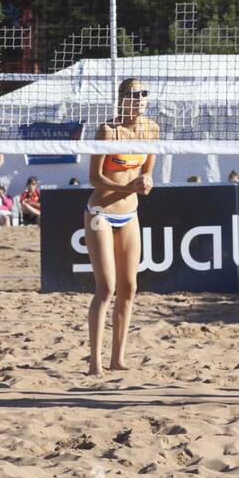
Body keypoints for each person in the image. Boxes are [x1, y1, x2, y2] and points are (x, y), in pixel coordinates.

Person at [85, 77, 158, 375]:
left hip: (130, 214)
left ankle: (118, 359)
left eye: (143, 93)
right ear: (121, 99)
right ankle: (95, 362)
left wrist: (147, 181)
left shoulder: (151, 129)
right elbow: (94, 178)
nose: (139, 98)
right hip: (101, 211)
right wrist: (132, 188)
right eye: (133, 94)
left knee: (129, 288)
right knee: (106, 289)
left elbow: (148, 171)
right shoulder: (108, 130)